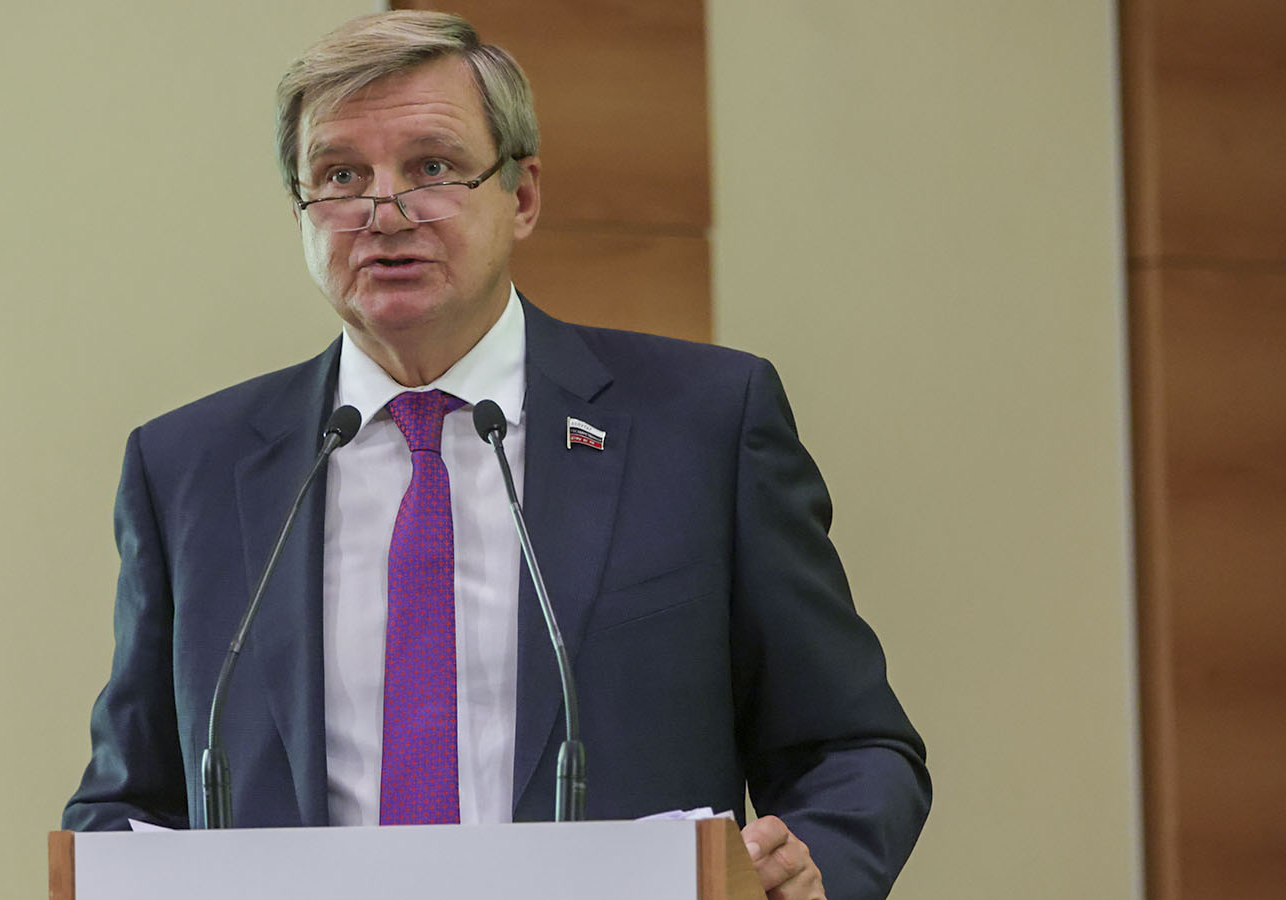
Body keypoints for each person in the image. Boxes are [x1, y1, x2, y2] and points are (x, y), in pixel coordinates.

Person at [63, 11, 929, 900]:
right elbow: (128, 803)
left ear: (521, 197)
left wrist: (810, 864)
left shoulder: (702, 428)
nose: (385, 213)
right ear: (301, 210)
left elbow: (852, 746)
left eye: (432, 168)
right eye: (340, 175)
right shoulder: (190, 471)